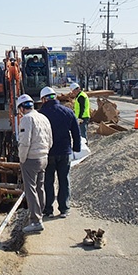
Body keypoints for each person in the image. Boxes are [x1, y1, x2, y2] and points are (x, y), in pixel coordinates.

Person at [38, 87, 81, 219]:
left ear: (44, 99)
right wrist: (76, 148)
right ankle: (64, 209)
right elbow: (76, 132)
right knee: (64, 180)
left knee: (48, 181)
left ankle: (48, 210)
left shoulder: (41, 114)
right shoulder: (67, 112)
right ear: (55, 97)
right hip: (65, 152)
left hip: (48, 153)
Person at [16, 94, 53, 233]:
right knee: (40, 188)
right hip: (44, 157)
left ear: (21, 108)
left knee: (30, 190)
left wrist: (22, 158)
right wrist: (45, 153)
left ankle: (36, 221)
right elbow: (50, 140)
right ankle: (40, 213)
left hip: (31, 159)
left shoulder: (27, 119)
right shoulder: (43, 118)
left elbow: (25, 142)